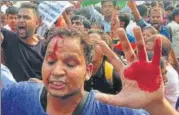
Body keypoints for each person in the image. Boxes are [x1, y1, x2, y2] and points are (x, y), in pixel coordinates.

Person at [2, 27, 178, 115]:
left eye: (70, 64)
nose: (57, 71)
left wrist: (157, 105)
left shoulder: (109, 110)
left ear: (88, 71)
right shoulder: (17, 97)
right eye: (51, 61)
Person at [1, 2, 46, 82]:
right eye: (19, 17)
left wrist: (42, 83)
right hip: (12, 92)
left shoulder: (45, 47)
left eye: (26, 17)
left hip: (36, 93)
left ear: (37, 22)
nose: (20, 20)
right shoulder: (8, 37)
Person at [85, 29, 122, 94]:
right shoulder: (78, 72)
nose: (90, 46)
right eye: (87, 43)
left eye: (95, 43)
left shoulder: (114, 74)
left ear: (105, 50)